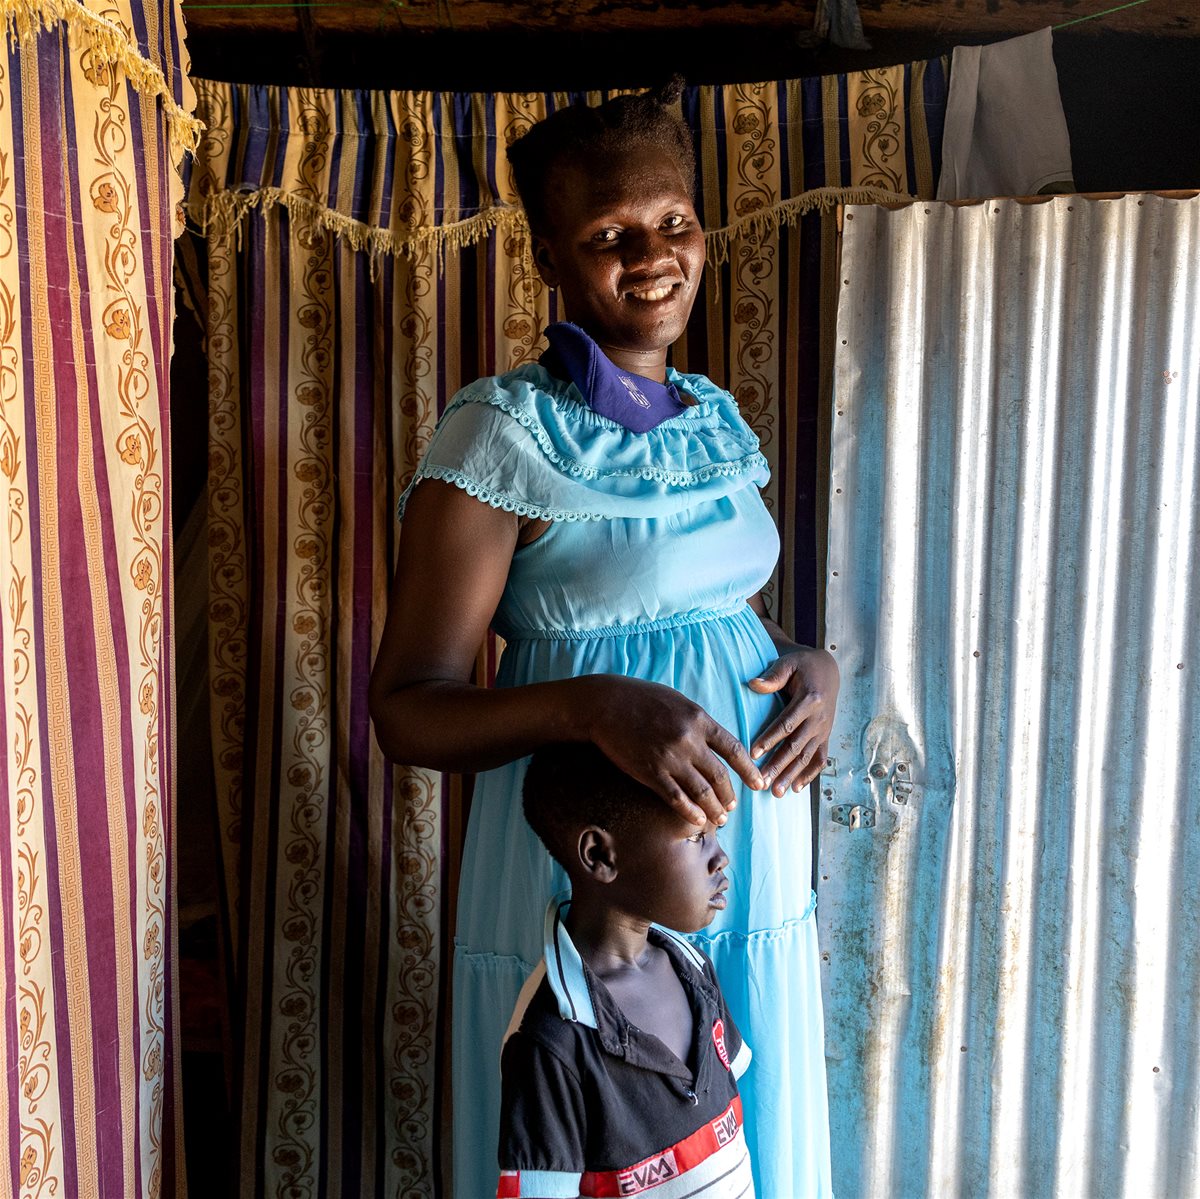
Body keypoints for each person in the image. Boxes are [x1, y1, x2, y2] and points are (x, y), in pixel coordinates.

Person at [368, 79, 838, 1199]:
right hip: (593, 861)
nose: (655, 254)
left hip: (742, 853)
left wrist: (811, 665)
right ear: (549, 256)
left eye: (674, 221)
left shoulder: (712, 418)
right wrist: (587, 704)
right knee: (597, 1128)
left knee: (735, 1129)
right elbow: (408, 706)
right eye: (610, 235)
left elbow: (713, 611)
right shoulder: (499, 433)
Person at [497, 742, 754, 1198]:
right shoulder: (553, 1041)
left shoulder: (694, 972)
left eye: (716, 832)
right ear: (600, 855)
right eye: (697, 837)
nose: (721, 858)